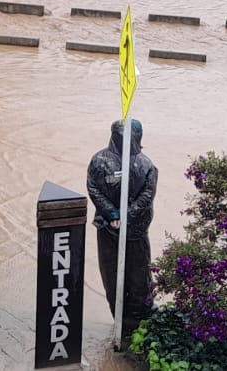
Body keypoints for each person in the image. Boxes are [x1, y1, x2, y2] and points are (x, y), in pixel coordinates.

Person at [85, 119, 158, 343]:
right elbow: (93, 188)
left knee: (139, 279)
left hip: (136, 232)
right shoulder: (99, 161)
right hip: (109, 230)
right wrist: (112, 214)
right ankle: (121, 323)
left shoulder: (145, 165)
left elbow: (147, 195)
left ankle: (138, 323)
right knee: (112, 277)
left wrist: (127, 215)